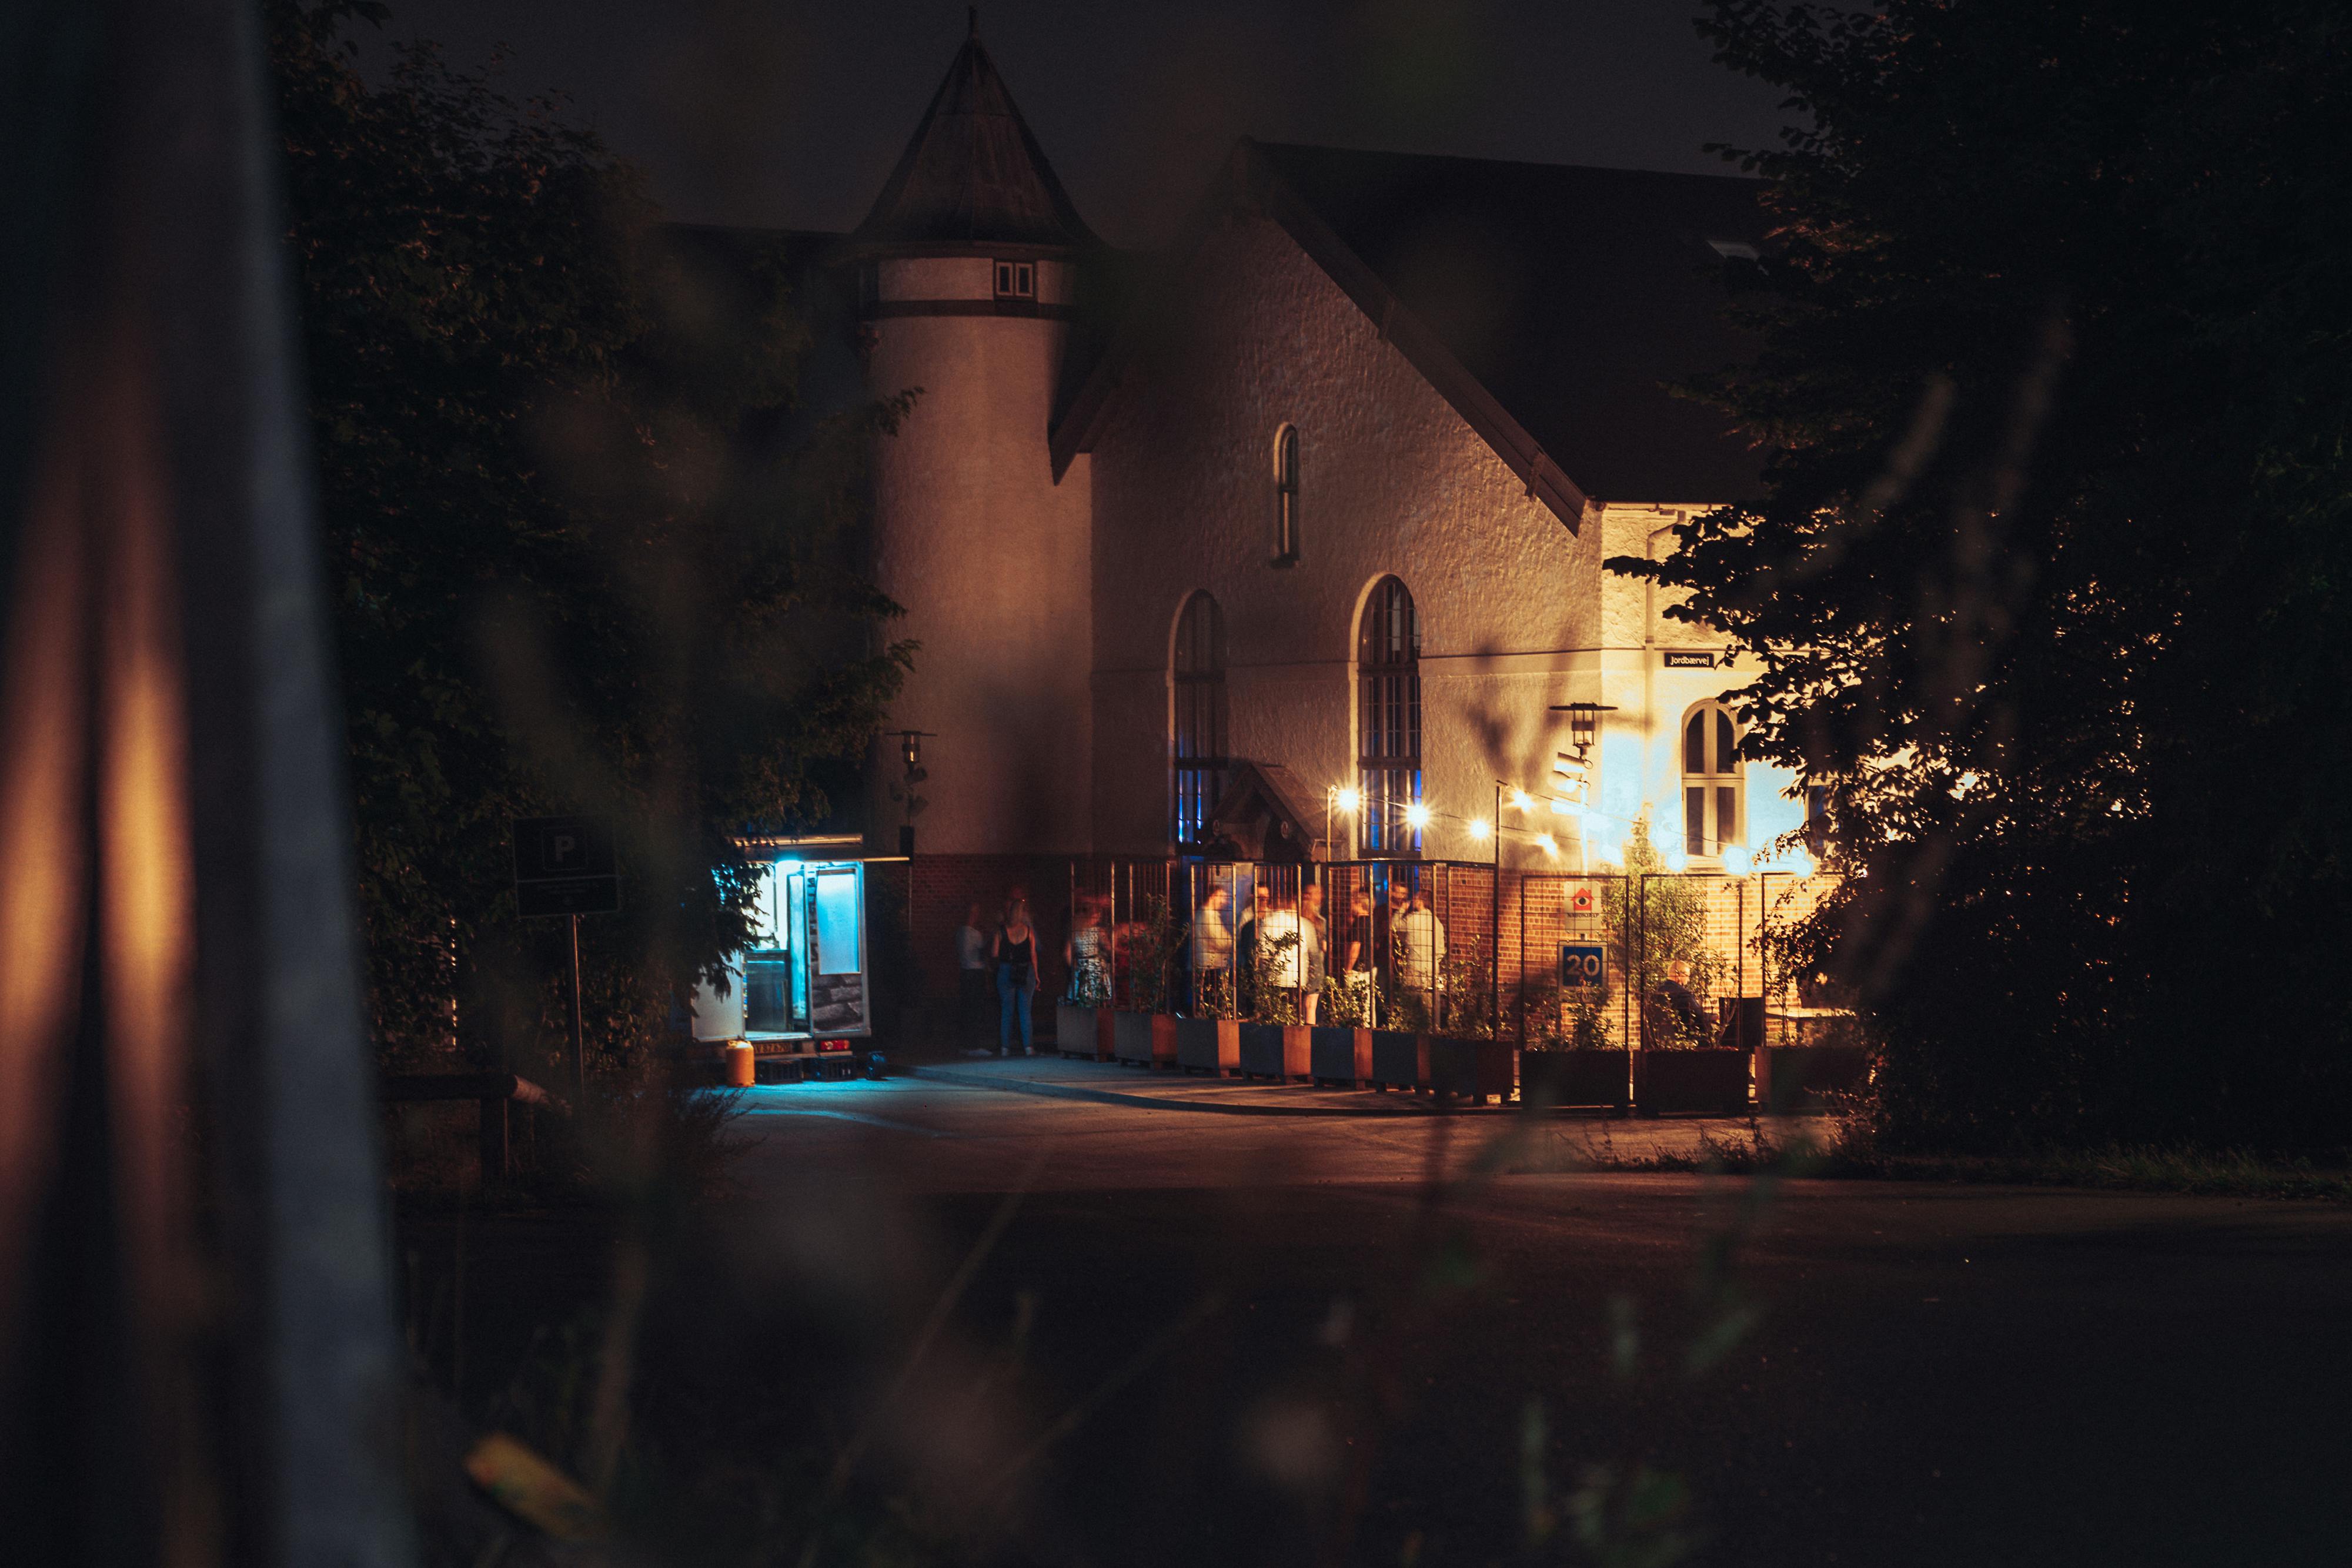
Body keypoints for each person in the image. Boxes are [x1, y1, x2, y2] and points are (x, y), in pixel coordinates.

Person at [991, 897, 1041, 1055]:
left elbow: (994, 953)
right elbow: (1033, 955)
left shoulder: (1001, 931)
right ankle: (1028, 1047)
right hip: (1026, 971)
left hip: (1006, 970)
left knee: (1007, 1010)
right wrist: (1037, 975)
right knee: (1025, 1010)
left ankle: (1005, 1048)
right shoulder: (1029, 931)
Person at [1396, 887, 1446, 1023]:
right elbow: (1441, 950)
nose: (1413, 900)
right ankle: (1429, 1032)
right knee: (1429, 1007)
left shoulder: (1412, 919)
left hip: (1414, 966)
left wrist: (1402, 909)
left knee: (1410, 1007)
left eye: (1416, 897)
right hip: (1431, 969)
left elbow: (1395, 926)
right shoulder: (1437, 922)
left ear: (1421, 901)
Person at [1258, 889, 1306, 1014]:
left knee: (1275, 1013)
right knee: (1292, 1013)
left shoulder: (1266, 922)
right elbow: (1303, 948)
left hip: (1274, 975)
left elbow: (1262, 950)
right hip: (1294, 975)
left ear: (1271, 905)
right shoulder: (1297, 922)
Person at [1189, 885, 1234, 1014]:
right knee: (1212, 1005)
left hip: (1209, 965)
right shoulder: (1207, 916)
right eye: (1222, 897)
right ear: (1213, 896)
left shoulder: (1206, 914)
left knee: (1210, 1003)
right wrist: (1232, 941)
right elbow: (1221, 942)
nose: (1224, 901)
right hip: (1210, 966)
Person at [955, 902, 990, 1051]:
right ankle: (975, 1045)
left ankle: (966, 1044)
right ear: (974, 915)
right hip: (976, 974)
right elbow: (983, 954)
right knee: (976, 1010)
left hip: (964, 973)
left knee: (966, 1009)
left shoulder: (959, 933)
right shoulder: (976, 935)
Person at [1651, 959, 1707, 1046]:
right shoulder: (1683, 994)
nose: (1688, 980)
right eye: (1687, 976)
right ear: (1678, 975)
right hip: (1685, 1041)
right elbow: (1699, 1015)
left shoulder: (1657, 993)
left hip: (1660, 1040)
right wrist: (1714, 1016)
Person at [1065, 896, 1110, 1005]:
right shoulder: (1098, 931)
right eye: (1097, 916)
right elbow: (1108, 947)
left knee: (1080, 993)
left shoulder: (1075, 931)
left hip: (1081, 965)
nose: (1099, 919)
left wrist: (1074, 967)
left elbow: (1067, 953)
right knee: (1097, 994)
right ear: (1092, 916)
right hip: (1095, 965)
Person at [1339, 888, 1375, 1022]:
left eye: (1353, 903)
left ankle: (1359, 1028)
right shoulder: (1372, 921)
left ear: (1359, 904)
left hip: (1358, 970)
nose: (1350, 906)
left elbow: (1355, 946)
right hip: (1370, 967)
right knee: (1368, 1003)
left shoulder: (1360, 923)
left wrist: (1348, 969)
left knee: (1355, 1003)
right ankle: (1370, 1027)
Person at [1298, 880, 1327, 1025]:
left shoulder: (1298, 920)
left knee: (1298, 1003)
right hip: (1316, 966)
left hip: (1300, 965)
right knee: (1312, 1005)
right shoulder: (1320, 921)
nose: (1322, 896)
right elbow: (1324, 947)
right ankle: (1310, 1032)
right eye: (1318, 893)